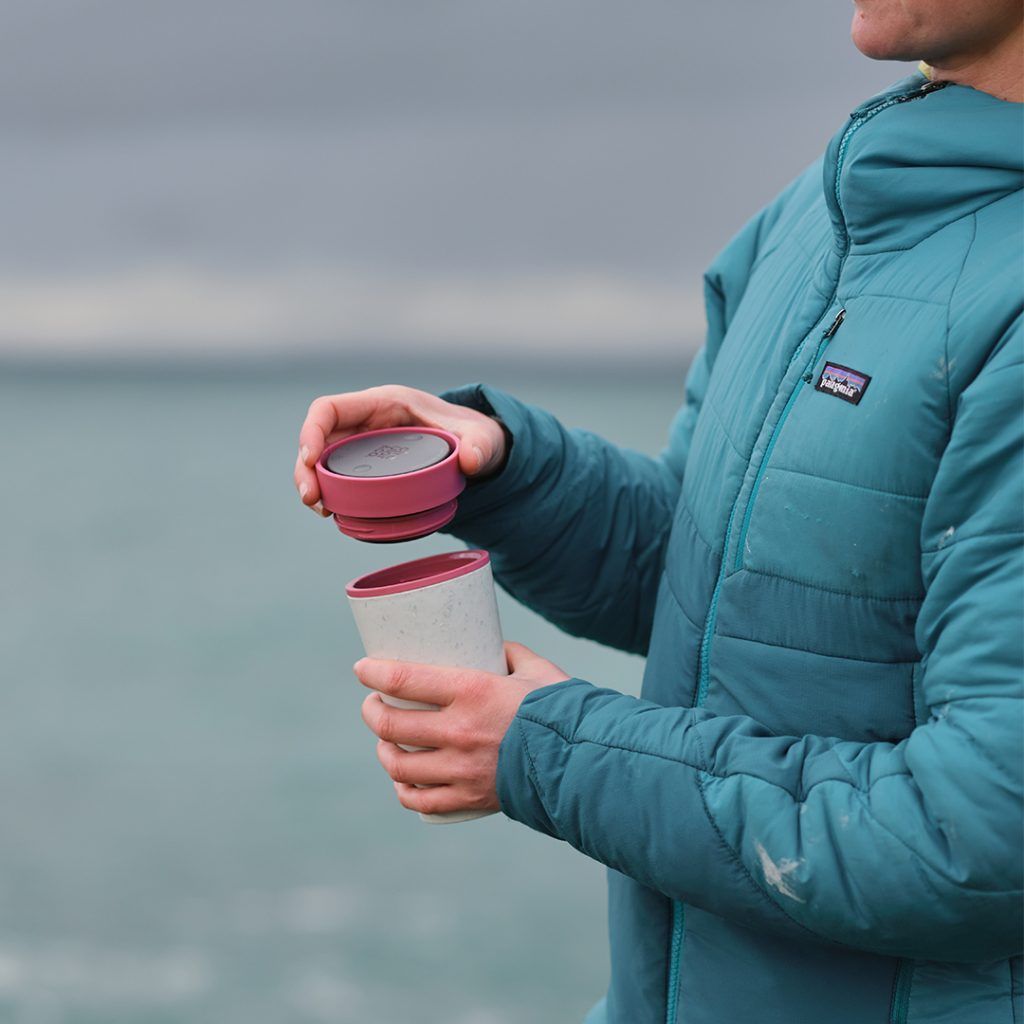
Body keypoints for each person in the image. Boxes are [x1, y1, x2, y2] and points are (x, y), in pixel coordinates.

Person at [294, 2, 1023, 1020]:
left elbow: (975, 837)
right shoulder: (814, 220)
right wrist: (509, 474)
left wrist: (548, 749)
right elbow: (704, 585)